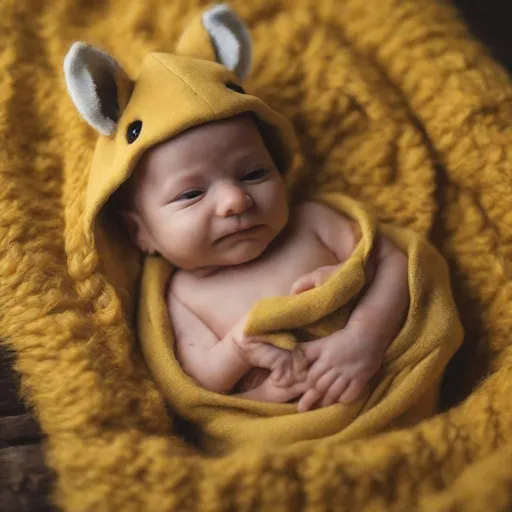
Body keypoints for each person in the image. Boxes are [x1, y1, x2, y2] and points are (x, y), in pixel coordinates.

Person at [115, 112, 409, 413]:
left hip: (389, 385)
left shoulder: (312, 222)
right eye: (192, 194)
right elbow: (202, 381)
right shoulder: (182, 294)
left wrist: (365, 336)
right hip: (296, 423)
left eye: (253, 174)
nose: (235, 200)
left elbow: (393, 263)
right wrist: (252, 369)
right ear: (141, 232)